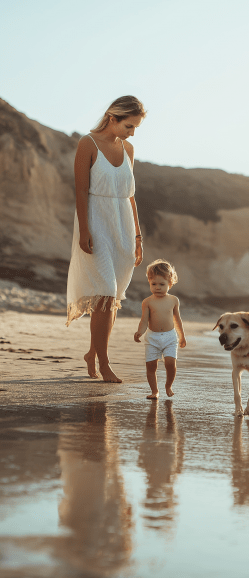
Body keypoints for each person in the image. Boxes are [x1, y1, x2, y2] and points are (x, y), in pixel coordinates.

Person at [66, 95, 146, 383]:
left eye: (136, 127)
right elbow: (80, 191)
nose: (132, 132)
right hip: (96, 222)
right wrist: (84, 230)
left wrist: (137, 235)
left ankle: (92, 353)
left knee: (112, 298)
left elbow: (131, 195)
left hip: (123, 225)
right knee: (105, 292)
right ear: (113, 117)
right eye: (129, 125)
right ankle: (104, 362)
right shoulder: (87, 143)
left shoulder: (129, 149)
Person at [134, 259, 186, 399]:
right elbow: (144, 320)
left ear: (170, 283)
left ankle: (168, 385)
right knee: (151, 366)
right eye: (153, 284)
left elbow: (177, 320)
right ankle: (154, 391)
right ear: (149, 282)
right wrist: (140, 331)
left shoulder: (174, 300)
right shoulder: (147, 302)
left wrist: (182, 336)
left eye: (162, 284)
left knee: (170, 363)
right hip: (152, 338)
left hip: (170, 337)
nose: (157, 287)